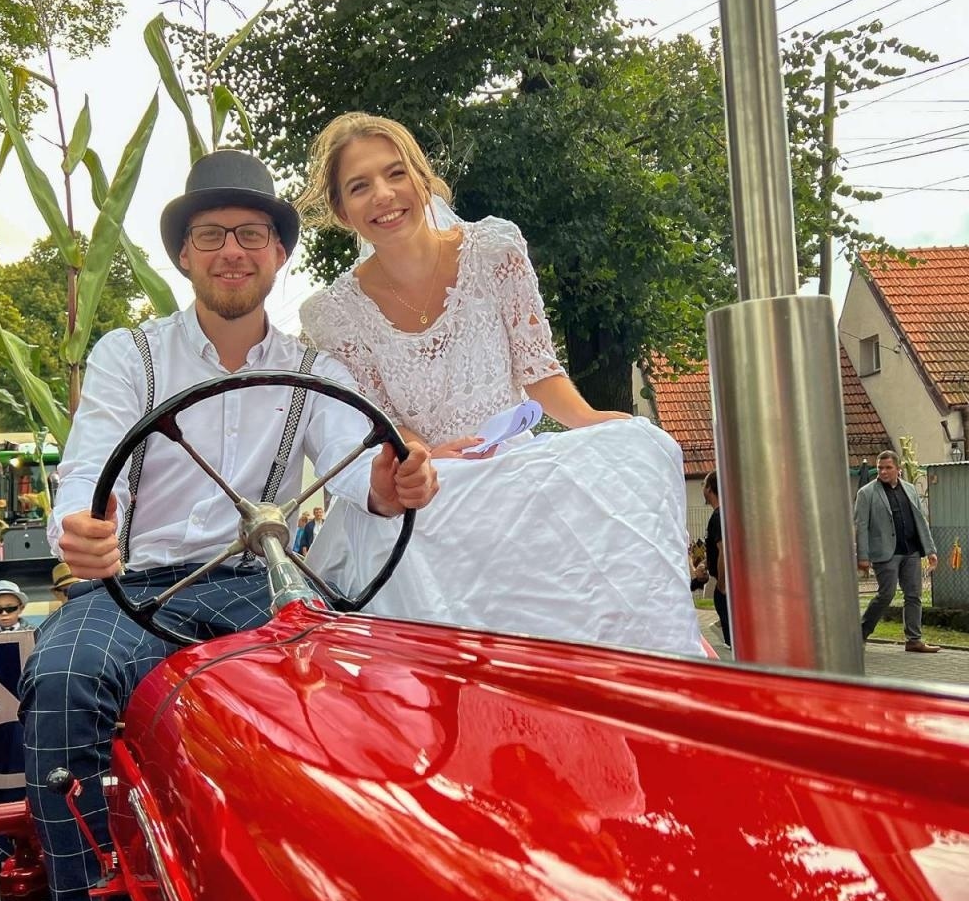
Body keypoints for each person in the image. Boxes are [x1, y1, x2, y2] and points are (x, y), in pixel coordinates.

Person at [22, 148, 438, 901]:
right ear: (186, 257)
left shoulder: (311, 370)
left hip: (261, 583)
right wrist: (86, 536)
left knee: (348, 698)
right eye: (212, 235)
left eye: (252, 233)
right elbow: (92, 477)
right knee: (59, 682)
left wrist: (392, 477)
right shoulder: (129, 355)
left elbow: (364, 463)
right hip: (143, 584)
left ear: (280, 255)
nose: (232, 250)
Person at [295, 112, 701, 656]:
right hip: (437, 472)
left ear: (422, 178)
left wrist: (591, 421)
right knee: (418, 517)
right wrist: (427, 453)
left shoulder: (494, 250)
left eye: (395, 174)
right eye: (360, 186)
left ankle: (640, 662)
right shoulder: (331, 312)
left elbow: (539, 370)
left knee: (639, 446)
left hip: (512, 461)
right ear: (343, 212)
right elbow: (384, 416)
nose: (384, 196)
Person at [854, 450, 940, 653]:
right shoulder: (866, 493)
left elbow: (921, 522)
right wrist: (863, 557)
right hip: (885, 553)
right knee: (886, 594)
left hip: (910, 551)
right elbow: (861, 526)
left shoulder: (909, 490)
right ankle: (860, 634)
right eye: (880, 467)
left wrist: (930, 550)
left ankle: (914, 640)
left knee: (914, 595)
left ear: (898, 469)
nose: (883, 471)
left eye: (888, 468)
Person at [702, 472, 731, 647]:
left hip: (725, 585)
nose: (702, 489)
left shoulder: (718, 516)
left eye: (703, 484)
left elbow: (724, 550)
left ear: (710, 488)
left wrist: (722, 584)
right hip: (727, 583)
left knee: (730, 637)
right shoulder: (723, 514)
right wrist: (706, 562)